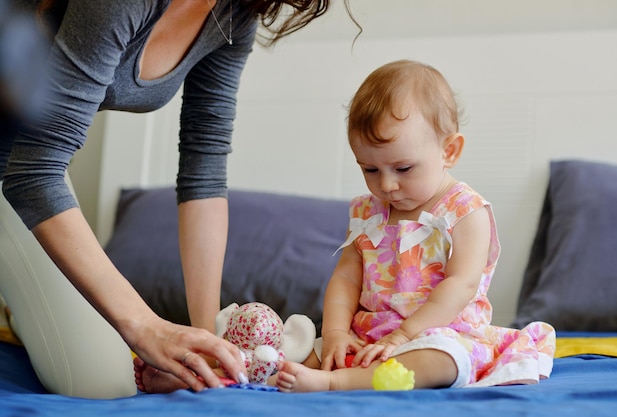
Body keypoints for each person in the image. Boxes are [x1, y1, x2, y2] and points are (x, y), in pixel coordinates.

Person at [0, 0, 353, 399]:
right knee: (102, 384)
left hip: (19, 166)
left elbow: (204, 169)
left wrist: (210, 344)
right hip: (20, 174)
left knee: (108, 382)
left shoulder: (234, 17)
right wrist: (147, 325)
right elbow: (35, 171)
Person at [274, 60, 556, 392]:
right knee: (305, 354)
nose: (387, 185)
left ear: (448, 151)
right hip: (369, 335)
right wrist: (336, 333)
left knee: (441, 362)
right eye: (370, 170)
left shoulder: (465, 211)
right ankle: (274, 367)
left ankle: (338, 382)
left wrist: (405, 334)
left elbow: (461, 285)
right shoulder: (368, 212)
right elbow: (346, 277)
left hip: (437, 333)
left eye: (403, 168)